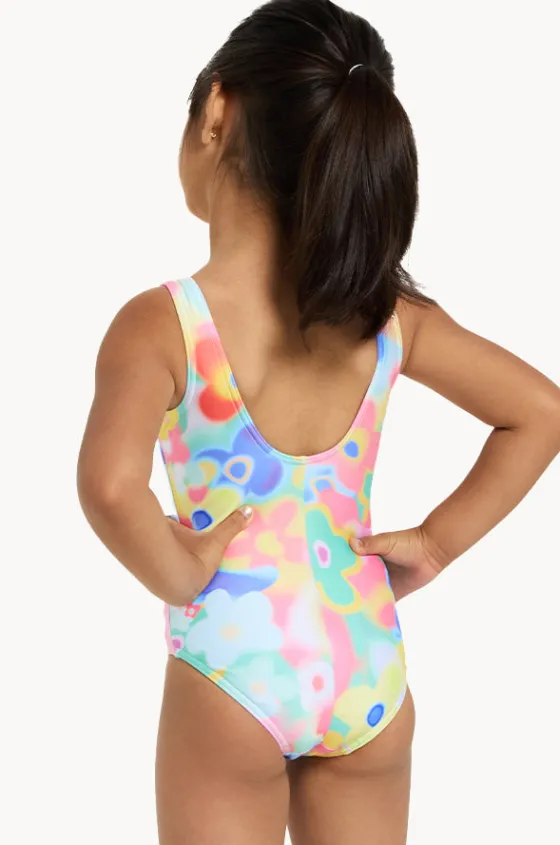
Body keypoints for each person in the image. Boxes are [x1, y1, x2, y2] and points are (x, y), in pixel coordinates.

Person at [76, 1, 560, 843]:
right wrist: (435, 542)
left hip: (232, 668)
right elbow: (541, 413)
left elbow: (112, 487)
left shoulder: (164, 325)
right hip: (364, 658)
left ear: (216, 111)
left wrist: (182, 575)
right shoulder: (388, 315)